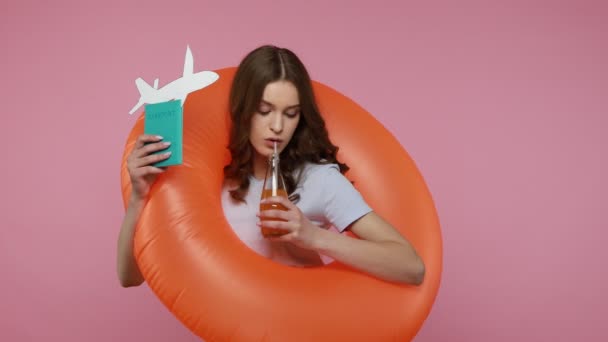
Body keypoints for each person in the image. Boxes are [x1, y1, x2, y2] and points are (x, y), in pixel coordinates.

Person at [116, 45, 425, 288]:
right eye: (264, 110)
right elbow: (131, 278)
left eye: (290, 114)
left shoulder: (318, 180)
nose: (277, 126)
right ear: (244, 110)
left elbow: (411, 267)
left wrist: (312, 237)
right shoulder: (210, 181)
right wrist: (139, 198)